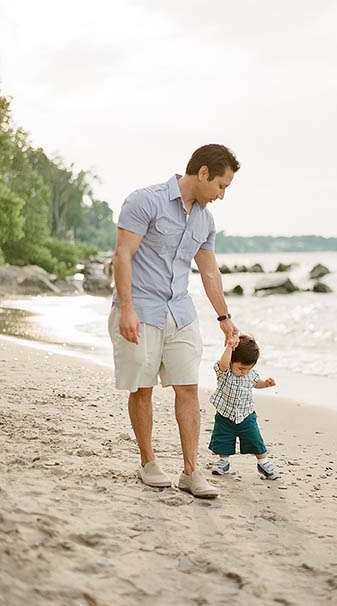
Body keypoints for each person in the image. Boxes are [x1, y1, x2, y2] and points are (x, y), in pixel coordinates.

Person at [109, 144, 241, 500]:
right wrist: (126, 309)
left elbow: (209, 271)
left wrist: (225, 317)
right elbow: (123, 256)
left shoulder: (205, 220)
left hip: (180, 312)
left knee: (188, 387)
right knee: (143, 387)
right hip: (142, 309)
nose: (222, 195)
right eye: (221, 186)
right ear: (203, 173)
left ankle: (191, 471)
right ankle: (148, 461)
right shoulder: (144, 201)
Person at [208, 334, 280, 480]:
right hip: (225, 414)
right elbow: (223, 364)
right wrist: (229, 346)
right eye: (241, 368)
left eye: (248, 368)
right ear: (232, 361)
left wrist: (265, 384)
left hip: (246, 415)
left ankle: (263, 462)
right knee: (223, 439)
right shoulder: (225, 372)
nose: (244, 372)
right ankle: (224, 461)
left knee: (254, 439)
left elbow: (256, 383)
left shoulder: (250, 374)